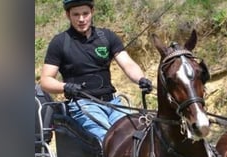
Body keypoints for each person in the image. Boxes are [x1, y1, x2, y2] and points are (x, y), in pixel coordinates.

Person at [40, 0, 153, 142]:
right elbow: (45, 80)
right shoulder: (60, 42)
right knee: (110, 141)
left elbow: (128, 64)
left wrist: (141, 79)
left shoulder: (107, 37)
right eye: (76, 14)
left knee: (137, 138)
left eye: (85, 14)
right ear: (68, 15)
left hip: (113, 103)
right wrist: (65, 87)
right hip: (83, 105)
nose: (81, 19)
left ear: (92, 12)